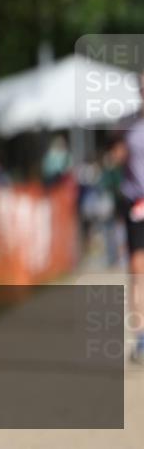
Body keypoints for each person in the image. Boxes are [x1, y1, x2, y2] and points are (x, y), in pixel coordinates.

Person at [112, 72, 144, 364]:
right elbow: (118, 156)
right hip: (136, 203)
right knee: (137, 270)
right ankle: (141, 337)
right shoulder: (129, 123)